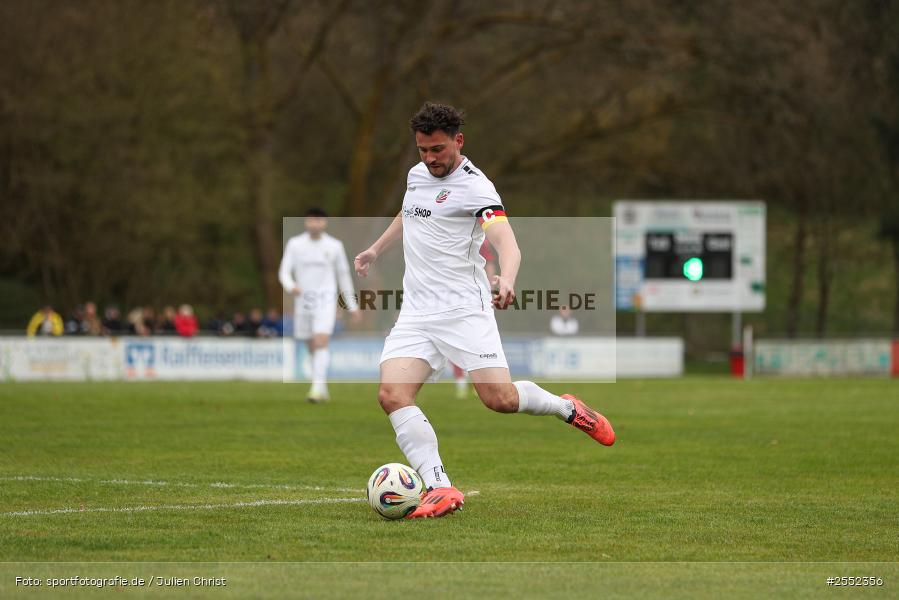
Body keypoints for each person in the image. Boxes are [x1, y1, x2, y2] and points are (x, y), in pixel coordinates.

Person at [354, 102, 615, 519]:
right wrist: (375, 249)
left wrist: (507, 278)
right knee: (392, 395)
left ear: (458, 141)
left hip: (464, 311)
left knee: (500, 399)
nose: (430, 158)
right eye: (423, 150)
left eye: (438, 149)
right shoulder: (416, 175)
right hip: (417, 312)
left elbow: (507, 241)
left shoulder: (477, 188)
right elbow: (409, 212)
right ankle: (440, 486)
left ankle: (567, 408)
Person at [279, 207, 361, 403]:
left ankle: (316, 389)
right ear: (306, 222)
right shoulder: (295, 244)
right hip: (303, 302)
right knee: (310, 344)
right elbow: (284, 271)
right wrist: (291, 286)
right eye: (311, 220)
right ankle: (321, 386)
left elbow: (343, 276)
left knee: (321, 340)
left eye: (318, 220)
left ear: (324, 223)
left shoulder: (334, 246)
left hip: (326, 301)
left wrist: (352, 306)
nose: (314, 223)